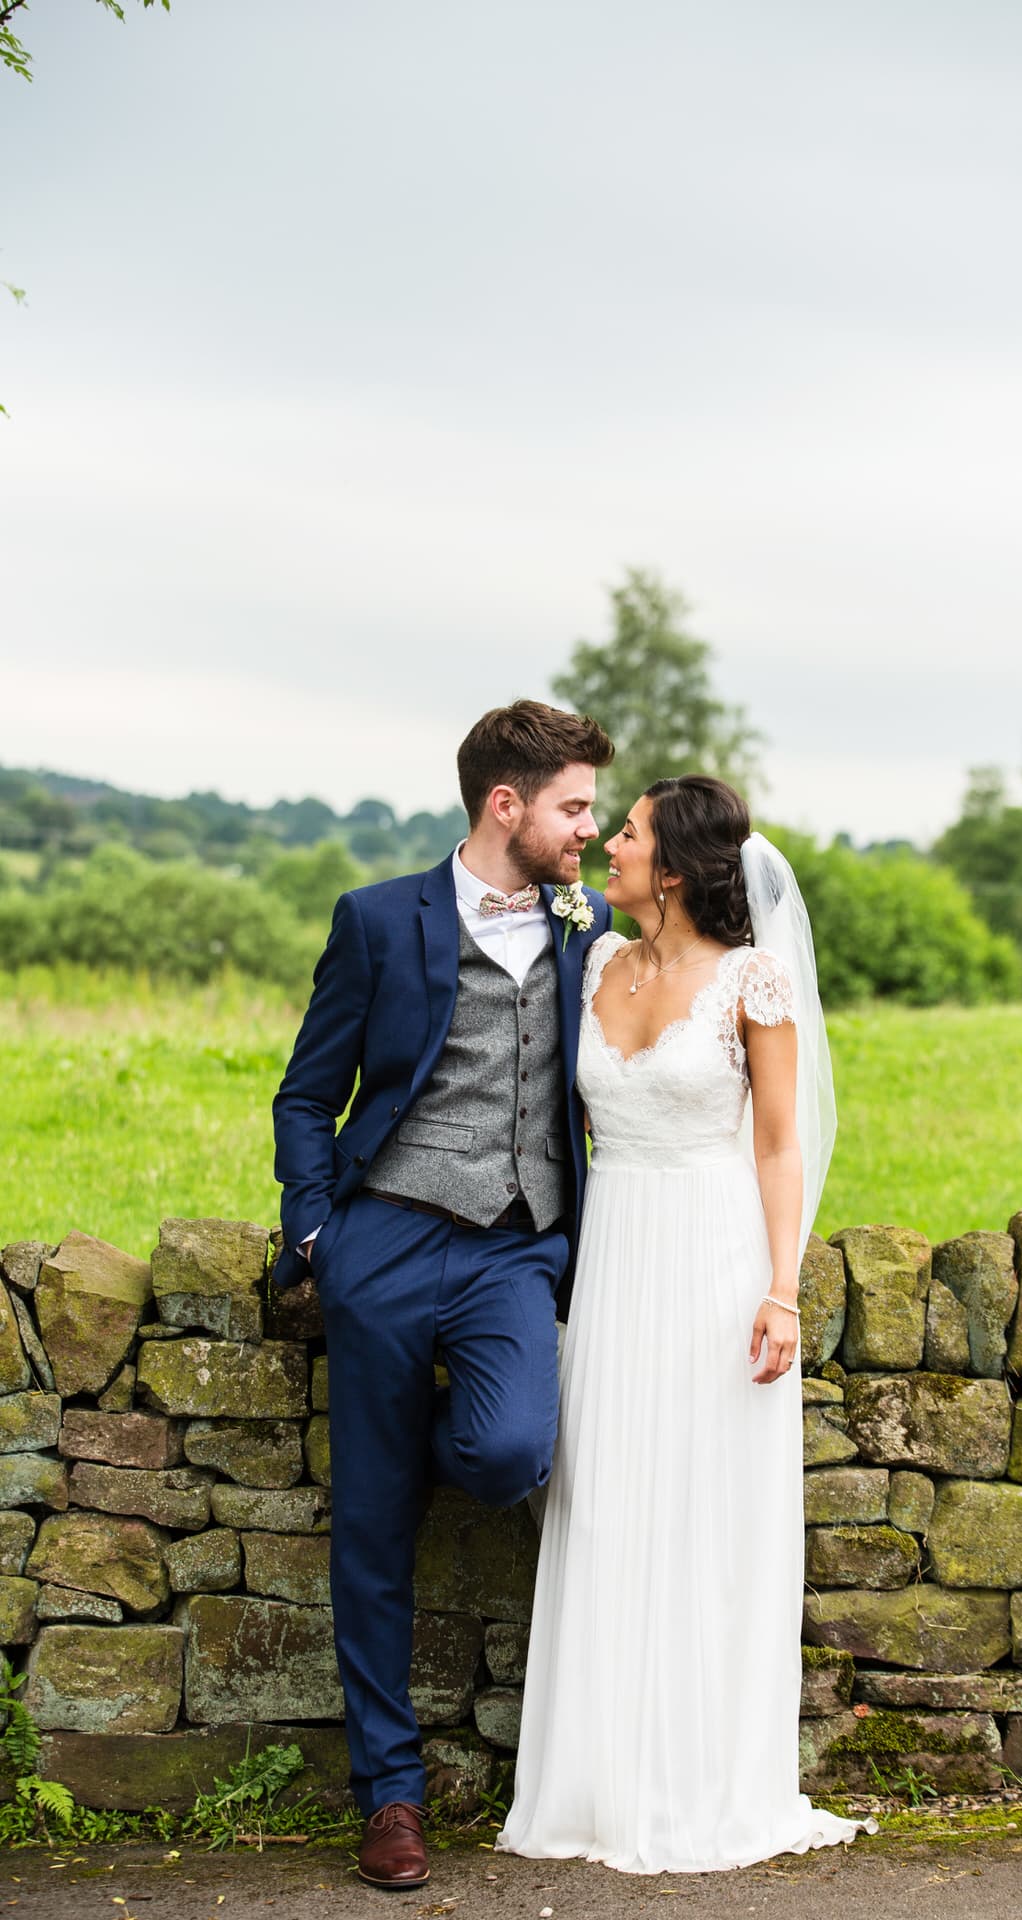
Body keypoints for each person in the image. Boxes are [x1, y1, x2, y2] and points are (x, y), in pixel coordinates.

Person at [498, 774, 876, 1873]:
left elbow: (776, 1142)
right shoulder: (596, 967)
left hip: (712, 1261)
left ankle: (705, 1780)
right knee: (608, 1499)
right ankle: (595, 1781)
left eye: (625, 834)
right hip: (614, 1262)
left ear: (671, 869)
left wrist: (778, 1287)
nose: (604, 845)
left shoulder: (753, 981)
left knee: (705, 1511)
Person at [271, 700, 614, 1890]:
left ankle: (392, 1456)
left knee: (512, 1450)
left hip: (517, 1249)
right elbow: (307, 1093)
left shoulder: (590, 921)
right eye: (574, 806)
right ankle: (392, 1796)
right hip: (387, 1242)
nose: (591, 828)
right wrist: (317, 1233)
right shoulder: (376, 920)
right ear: (503, 805)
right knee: (369, 1540)